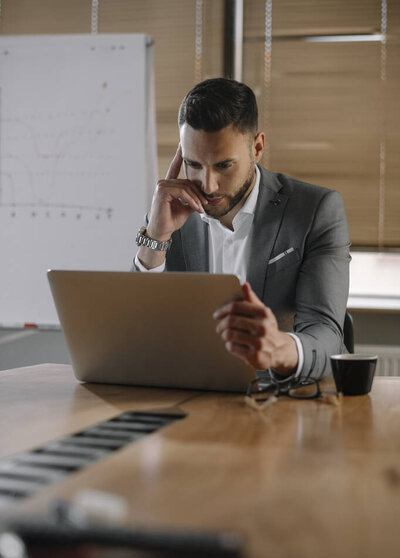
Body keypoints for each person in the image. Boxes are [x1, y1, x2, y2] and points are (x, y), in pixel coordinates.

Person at [133, 78, 350, 380]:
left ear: (258, 147)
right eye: (193, 164)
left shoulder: (315, 210)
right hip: (190, 395)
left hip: (277, 400)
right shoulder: (170, 212)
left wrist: (277, 350)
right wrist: (156, 237)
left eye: (223, 166)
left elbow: (327, 338)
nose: (207, 185)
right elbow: (134, 332)